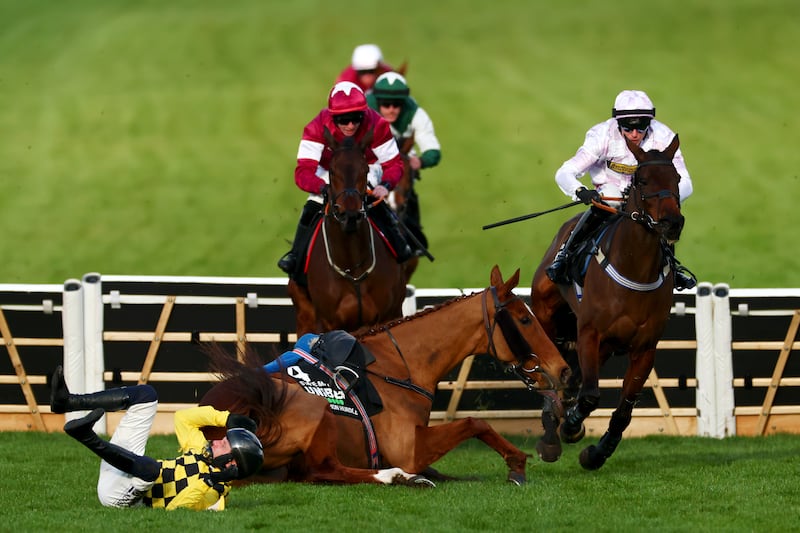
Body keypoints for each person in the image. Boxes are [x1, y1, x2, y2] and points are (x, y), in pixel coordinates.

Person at [50, 365, 263, 510]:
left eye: (223, 443)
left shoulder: (214, 494)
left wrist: (210, 480)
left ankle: (86, 436)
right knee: (147, 395)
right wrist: (226, 418)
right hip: (122, 467)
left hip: (119, 497)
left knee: (152, 469)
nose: (216, 440)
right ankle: (68, 401)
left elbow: (176, 509)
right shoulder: (201, 450)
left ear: (232, 463)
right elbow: (183, 418)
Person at [546, 89, 696, 290]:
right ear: (618, 123)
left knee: (666, 213)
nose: (635, 134)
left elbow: (686, 182)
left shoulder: (664, 137)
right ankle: (564, 255)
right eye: (628, 128)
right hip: (610, 194)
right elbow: (565, 172)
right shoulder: (601, 135)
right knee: (614, 198)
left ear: (649, 123)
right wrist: (581, 191)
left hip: (646, 198)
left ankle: (672, 269)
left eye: (641, 128)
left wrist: (666, 199)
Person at [277, 81, 412, 280]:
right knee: (313, 203)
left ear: (364, 114)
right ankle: (296, 255)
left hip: (366, 168)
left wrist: (385, 185)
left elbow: (393, 164)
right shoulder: (316, 127)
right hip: (330, 171)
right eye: (344, 120)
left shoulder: (377, 124)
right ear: (333, 116)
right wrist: (322, 188)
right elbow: (303, 171)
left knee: (371, 200)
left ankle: (399, 245)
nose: (351, 125)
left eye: (356, 118)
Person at [367, 71, 441, 253]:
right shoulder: (365, 111)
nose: (391, 109)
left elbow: (433, 151)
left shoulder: (416, 114)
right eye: (386, 104)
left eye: (397, 104)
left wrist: (421, 162)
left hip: (401, 163)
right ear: (377, 102)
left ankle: (414, 242)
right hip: (371, 162)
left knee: (407, 193)